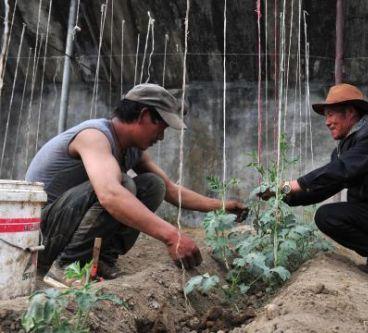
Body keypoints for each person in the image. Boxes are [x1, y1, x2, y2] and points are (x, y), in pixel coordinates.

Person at [26, 83, 247, 288]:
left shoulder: (132, 150)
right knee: (121, 184)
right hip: (37, 239)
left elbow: (170, 190)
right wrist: (172, 236)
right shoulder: (94, 137)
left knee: (153, 185)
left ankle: (100, 261)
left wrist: (222, 206)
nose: (161, 136)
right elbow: (110, 195)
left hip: (60, 230)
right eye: (161, 126)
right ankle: (68, 267)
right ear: (143, 115)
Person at [260, 83, 368, 288]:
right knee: (327, 216)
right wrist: (281, 195)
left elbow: (341, 169)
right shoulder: (342, 152)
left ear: (350, 113)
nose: (327, 122)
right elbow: (325, 186)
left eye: (331, 115)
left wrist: (292, 184)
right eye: (325, 116)